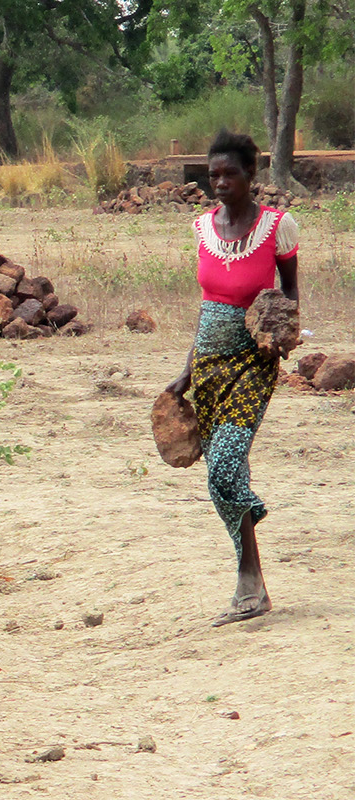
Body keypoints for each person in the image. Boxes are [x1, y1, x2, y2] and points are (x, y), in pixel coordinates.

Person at [165, 131, 300, 626]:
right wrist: (186, 372)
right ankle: (255, 584)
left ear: (251, 176)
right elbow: (206, 308)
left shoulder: (276, 227)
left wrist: (281, 338)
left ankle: (248, 568)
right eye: (213, 173)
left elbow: (290, 295)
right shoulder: (202, 228)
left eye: (230, 174)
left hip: (253, 364)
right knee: (225, 469)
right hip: (209, 365)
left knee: (224, 465)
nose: (219, 183)